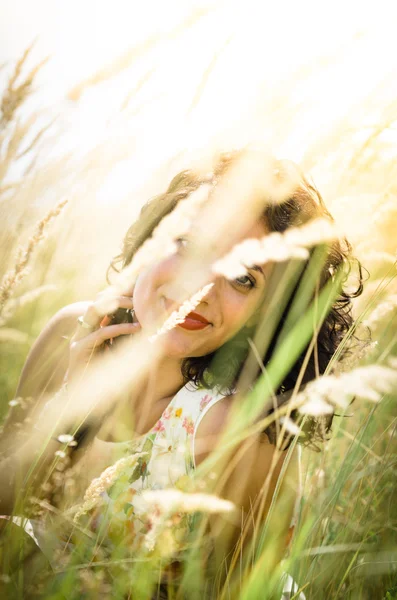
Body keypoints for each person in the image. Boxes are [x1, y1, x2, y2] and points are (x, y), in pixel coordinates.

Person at [0, 149, 363, 598]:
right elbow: (9, 511)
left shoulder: (235, 426)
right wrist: (68, 417)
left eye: (243, 279)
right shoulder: (70, 336)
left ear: (263, 315)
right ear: (153, 241)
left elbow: (235, 590)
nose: (200, 290)